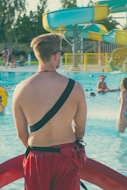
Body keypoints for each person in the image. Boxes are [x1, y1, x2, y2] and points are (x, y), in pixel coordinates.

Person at [12, 33, 87, 189]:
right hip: (67, 155)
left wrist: (40, 151)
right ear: (56, 56)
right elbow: (80, 130)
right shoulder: (75, 87)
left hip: (37, 156)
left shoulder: (20, 90)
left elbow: (21, 134)